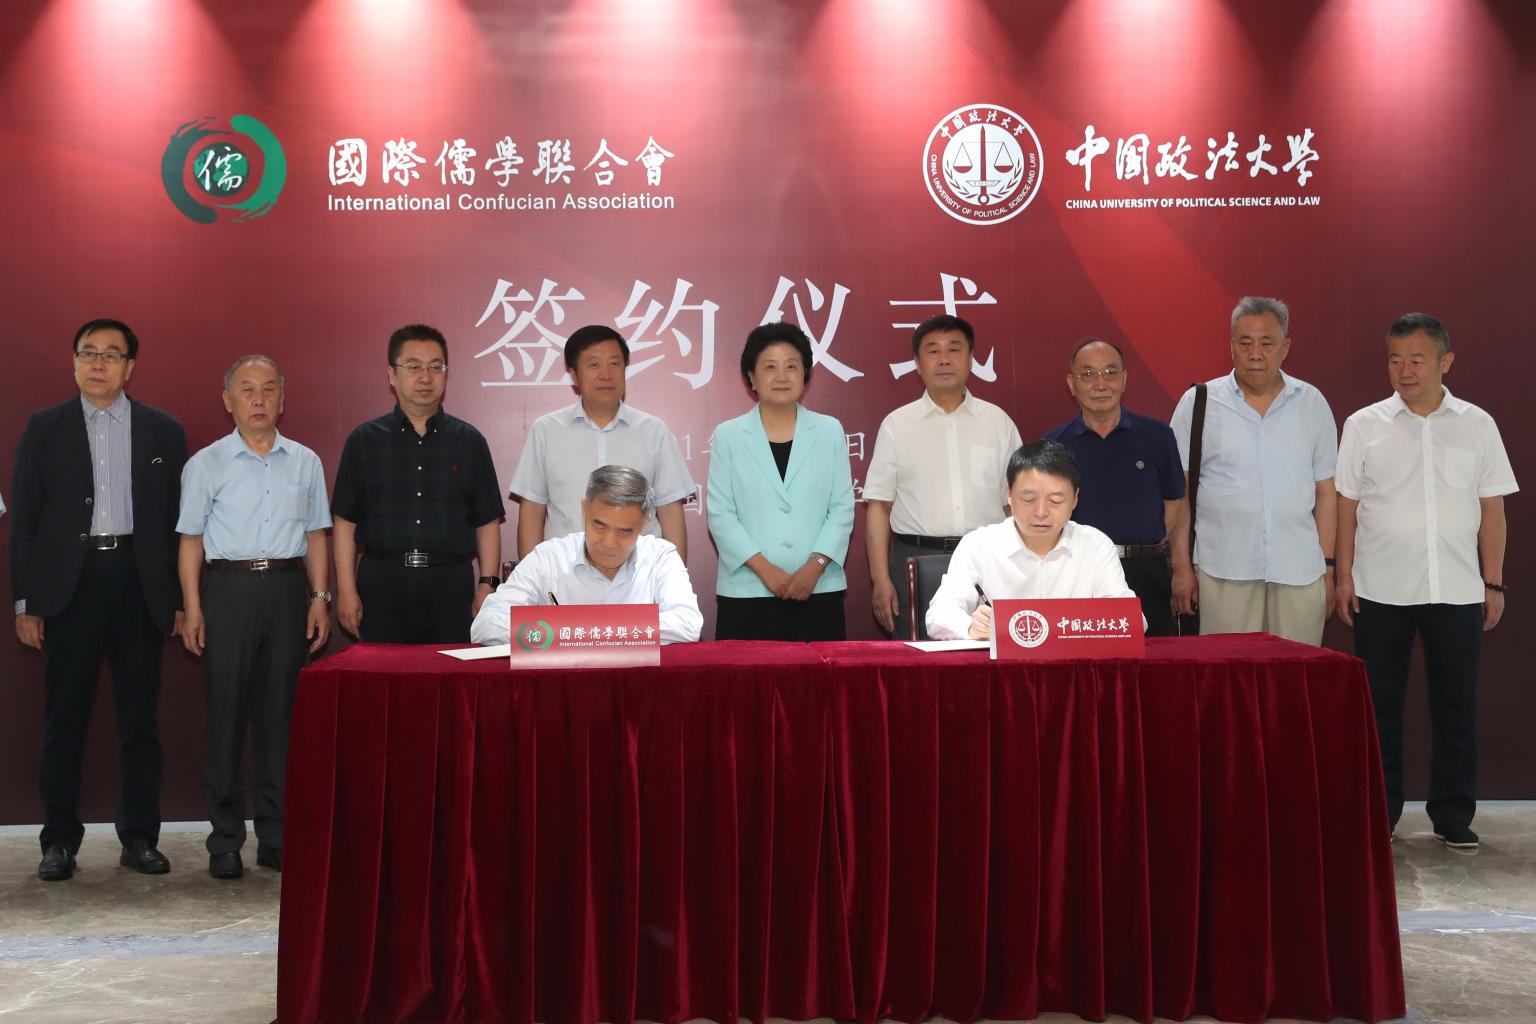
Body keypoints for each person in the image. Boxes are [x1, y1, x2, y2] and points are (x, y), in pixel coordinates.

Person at [10, 318, 187, 882]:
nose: (98, 363)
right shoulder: (45, 427)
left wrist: (181, 598)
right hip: (70, 585)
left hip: (139, 583)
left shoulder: (163, 430)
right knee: (64, 719)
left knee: (140, 721)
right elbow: (25, 519)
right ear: (74, 361)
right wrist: (25, 602)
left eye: (111, 354)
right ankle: (59, 841)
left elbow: (179, 523)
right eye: (88, 352)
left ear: (130, 367)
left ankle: (139, 838)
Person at [1335, 314, 1516, 851]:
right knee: (1379, 708)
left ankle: (1453, 814)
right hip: (1379, 589)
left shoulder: (1477, 424)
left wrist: (1493, 583)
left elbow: (1492, 508)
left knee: (1456, 706)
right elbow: (1346, 507)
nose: (1405, 370)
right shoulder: (1363, 424)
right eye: (1395, 359)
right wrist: (1342, 576)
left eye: (1417, 359)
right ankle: (1382, 812)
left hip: (1457, 589)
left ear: (1445, 361)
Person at [177, 355, 331, 879]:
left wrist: (319, 597)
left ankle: (276, 834)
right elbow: (190, 540)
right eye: (247, 390)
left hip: (288, 590)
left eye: (269, 389)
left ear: (283, 398)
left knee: (280, 719)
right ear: (229, 400)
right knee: (225, 717)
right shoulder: (206, 464)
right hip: (228, 590)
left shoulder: (306, 462)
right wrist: (193, 606)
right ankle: (224, 839)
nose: (259, 399)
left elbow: (316, 535)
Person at [1169, 296, 1338, 645]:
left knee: (1296, 671)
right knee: (1228, 672)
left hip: (1299, 570)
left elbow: (1325, 492)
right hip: (1223, 569)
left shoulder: (1311, 403)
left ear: (1286, 347)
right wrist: (1181, 566)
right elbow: (1179, 493)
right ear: (1231, 346)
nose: (1255, 354)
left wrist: (1327, 568)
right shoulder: (1199, 403)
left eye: (1267, 343)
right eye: (1245, 343)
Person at [330, 324, 504, 643]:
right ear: (392, 375)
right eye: (413, 367)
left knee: (450, 672)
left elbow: (487, 521)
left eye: (436, 367)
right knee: (384, 673)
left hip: (450, 584)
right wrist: (346, 589)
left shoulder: (469, 441)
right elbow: (345, 522)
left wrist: (487, 585)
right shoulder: (364, 441)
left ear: (446, 375)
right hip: (382, 584)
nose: (425, 377)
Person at [863, 314, 1021, 637]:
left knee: (987, 651)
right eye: (933, 351)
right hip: (916, 559)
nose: (944, 359)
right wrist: (880, 579)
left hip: (986, 560)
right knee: (916, 657)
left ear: (971, 359)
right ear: (917, 364)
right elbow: (879, 507)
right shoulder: (897, 425)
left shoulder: (998, 422)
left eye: (954, 349)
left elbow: (1015, 504)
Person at [707, 322, 854, 641]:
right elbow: (721, 514)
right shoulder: (729, 436)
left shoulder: (829, 431)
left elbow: (842, 508)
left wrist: (815, 567)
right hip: (747, 590)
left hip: (818, 587)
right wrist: (766, 570)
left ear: (806, 374)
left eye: (792, 366)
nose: (782, 376)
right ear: (751, 377)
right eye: (770, 367)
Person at [509, 325, 695, 561]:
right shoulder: (546, 430)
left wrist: (674, 578)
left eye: (615, 363)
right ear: (574, 375)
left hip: (641, 574)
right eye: (594, 364)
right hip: (565, 573)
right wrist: (531, 577)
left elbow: (670, 513)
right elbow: (532, 512)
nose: (606, 374)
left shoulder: (654, 431)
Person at [926, 440, 1137, 641]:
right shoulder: (978, 545)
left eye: (1055, 500)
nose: (1041, 512)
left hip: (1073, 664)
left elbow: (1131, 620)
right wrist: (971, 627)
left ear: (1075, 499)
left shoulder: (1095, 545)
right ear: (1009, 494)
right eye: (1029, 499)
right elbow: (939, 615)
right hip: (1000, 665)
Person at [1045, 337, 1185, 636]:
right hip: (1078, 573)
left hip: (1145, 571)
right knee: (1081, 656)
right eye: (1088, 374)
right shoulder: (1054, 445)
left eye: (1110, 373)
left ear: (1124, 379)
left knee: (1154, 657)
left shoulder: (1158, 436)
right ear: (1072, 384)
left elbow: (1174, 506)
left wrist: (1179, 565)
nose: (1100, 384)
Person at [471, 465, 701, 644]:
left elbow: (688, 623)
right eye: (599, 526)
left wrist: (586, 630)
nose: (609, 543)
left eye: (624, 531)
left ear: (645, 522)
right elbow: (486, 624)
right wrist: (563, 633)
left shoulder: (661, 557)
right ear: (584, 508)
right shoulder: (549, 557)